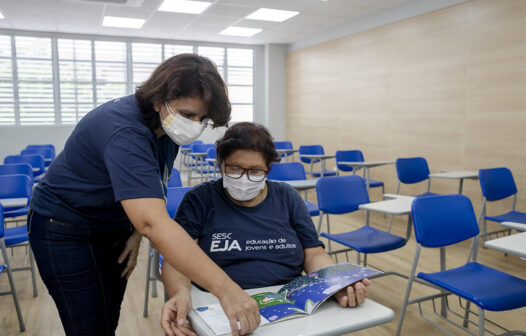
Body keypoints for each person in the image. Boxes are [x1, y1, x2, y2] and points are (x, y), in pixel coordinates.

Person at [28, 54, 260, 336]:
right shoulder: (125, 129)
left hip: (112, 224)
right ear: (159, 99)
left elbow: (154, 185)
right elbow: (153, 221)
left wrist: (135, 231)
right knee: (89, 326)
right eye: (188, 114)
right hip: (64, 228)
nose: (195, 125)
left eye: (203, 118)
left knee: (107, 315)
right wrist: (228, 291)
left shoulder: (166, 127)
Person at [161, 122, 371, 336]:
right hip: (220, 303)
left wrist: (334, 282)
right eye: (233, 168)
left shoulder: (287, 197)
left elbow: (314, 252)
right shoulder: (200, 199)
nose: (244, 178)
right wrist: (180, 292)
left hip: (287, 301)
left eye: (254, 171)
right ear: (220, 164)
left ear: (268, 170)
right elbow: (176, 259)